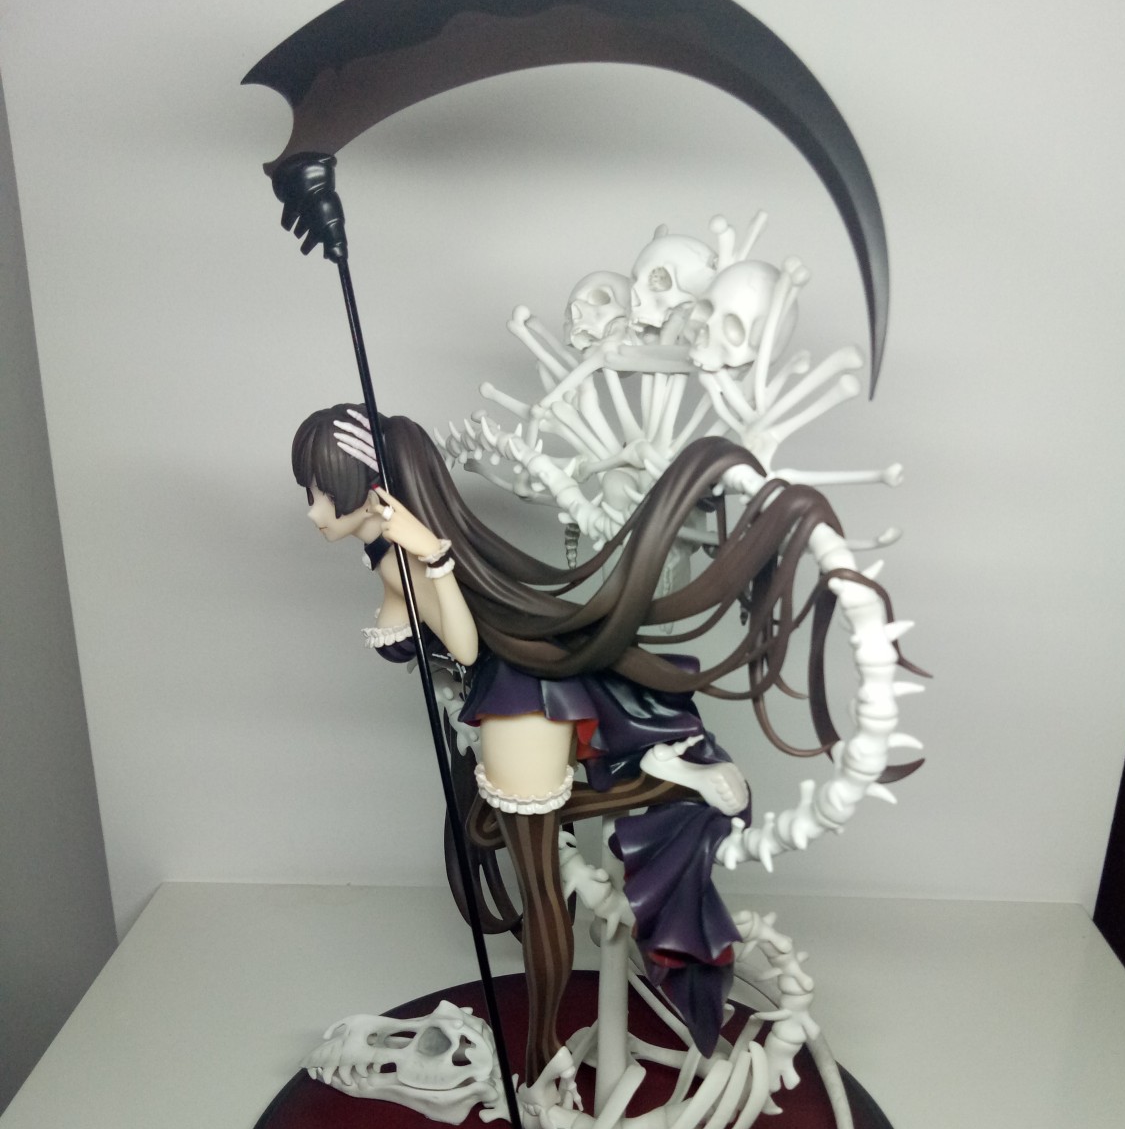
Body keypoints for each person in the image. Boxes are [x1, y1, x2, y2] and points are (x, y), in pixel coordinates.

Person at [293, 402, 862, 1088]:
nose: (312, 510)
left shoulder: (407, 556)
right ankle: (662, 768)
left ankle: (543, 1054)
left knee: (539, 890)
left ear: (369, 489)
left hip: (515, 708)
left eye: (321, 491)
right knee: (500, 847)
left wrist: (432, 554)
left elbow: (464, 645)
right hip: (507, 697)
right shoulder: (384, 550)